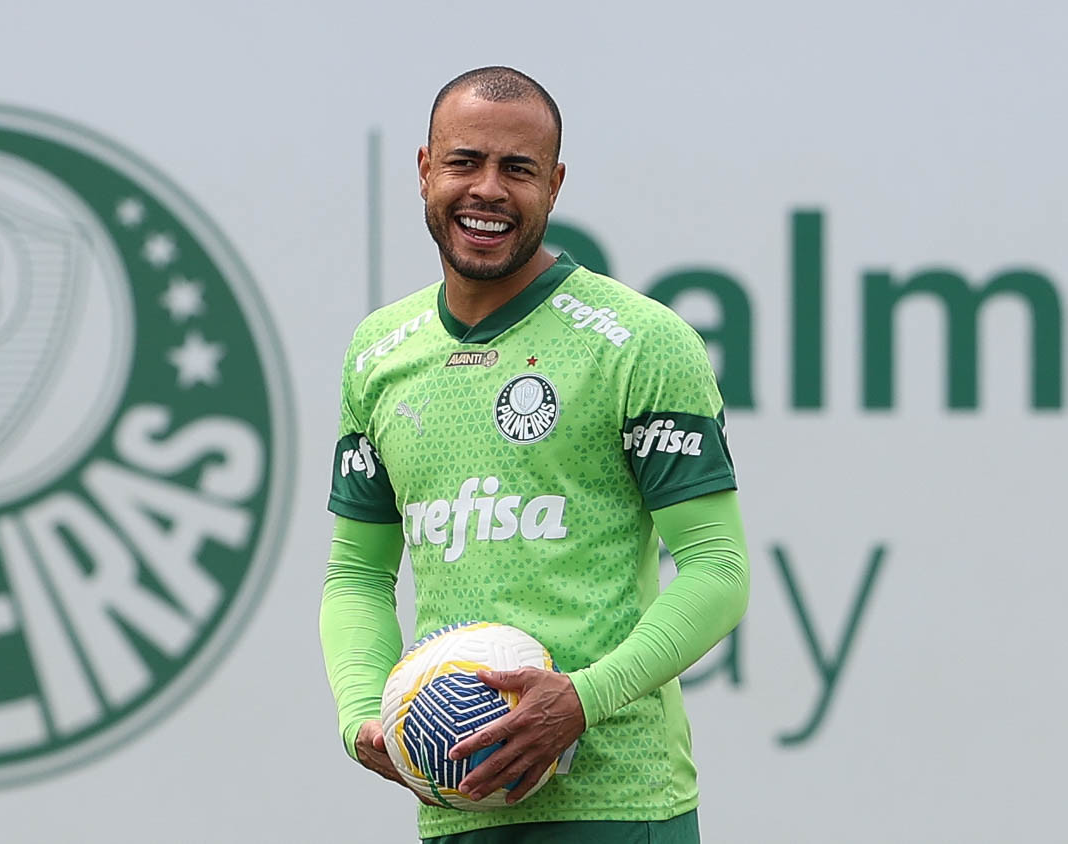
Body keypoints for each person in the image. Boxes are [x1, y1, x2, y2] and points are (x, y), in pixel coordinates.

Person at [318, 66, 751, 844]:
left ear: (553, 185)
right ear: (424, 170)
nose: (487, 190)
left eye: (517, 169)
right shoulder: (379, 354)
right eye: (464, 162)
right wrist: (362, 717)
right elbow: (355, 575)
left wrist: (580, 700)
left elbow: (719, 569)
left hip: (619, 805)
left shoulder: (641, 342)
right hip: (457, 806)